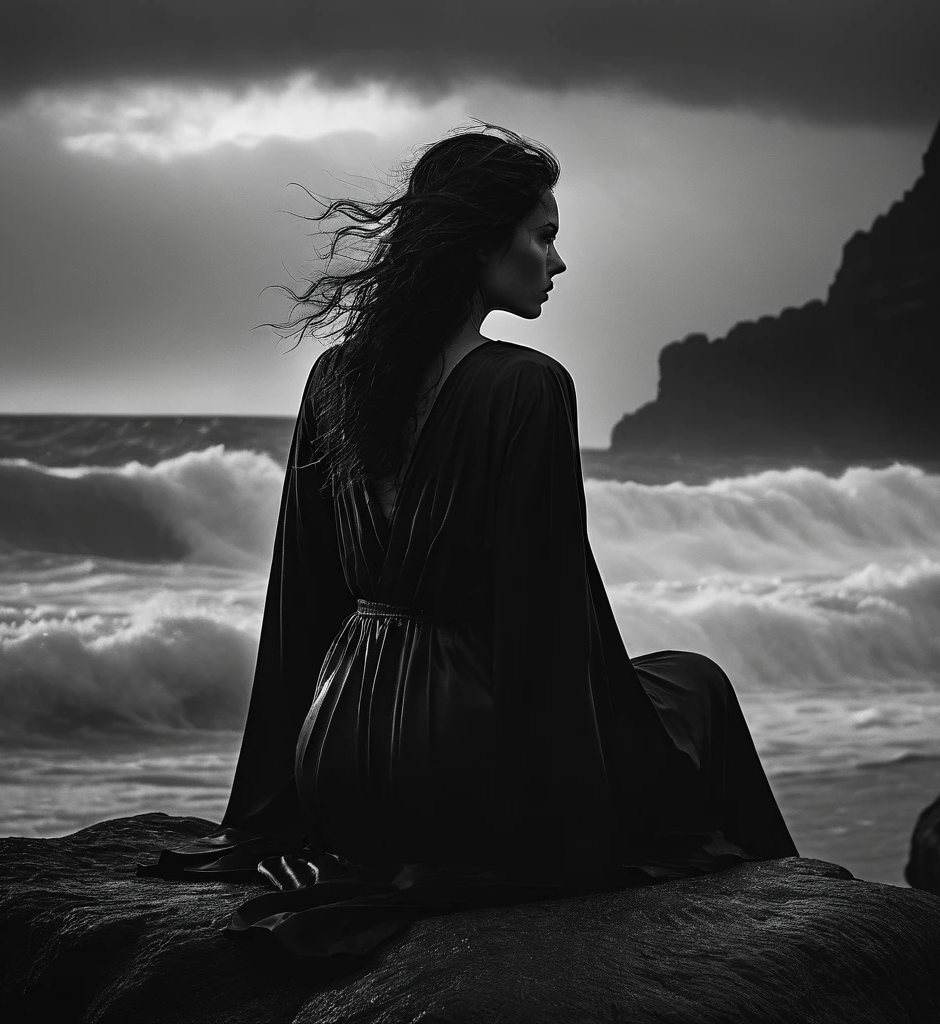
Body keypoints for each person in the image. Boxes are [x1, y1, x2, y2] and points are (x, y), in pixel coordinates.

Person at [138, 121, 798, 960]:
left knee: (663, 690)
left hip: (337, 760)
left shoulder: (335, 378)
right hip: (463, 766)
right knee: (693, 685)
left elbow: (298, 604)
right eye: (544, 236)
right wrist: (561, 830)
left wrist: (284, 805)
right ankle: (783, 930)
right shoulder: (526, 386)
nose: (558, 264)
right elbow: (544, 627)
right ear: (484, 241)